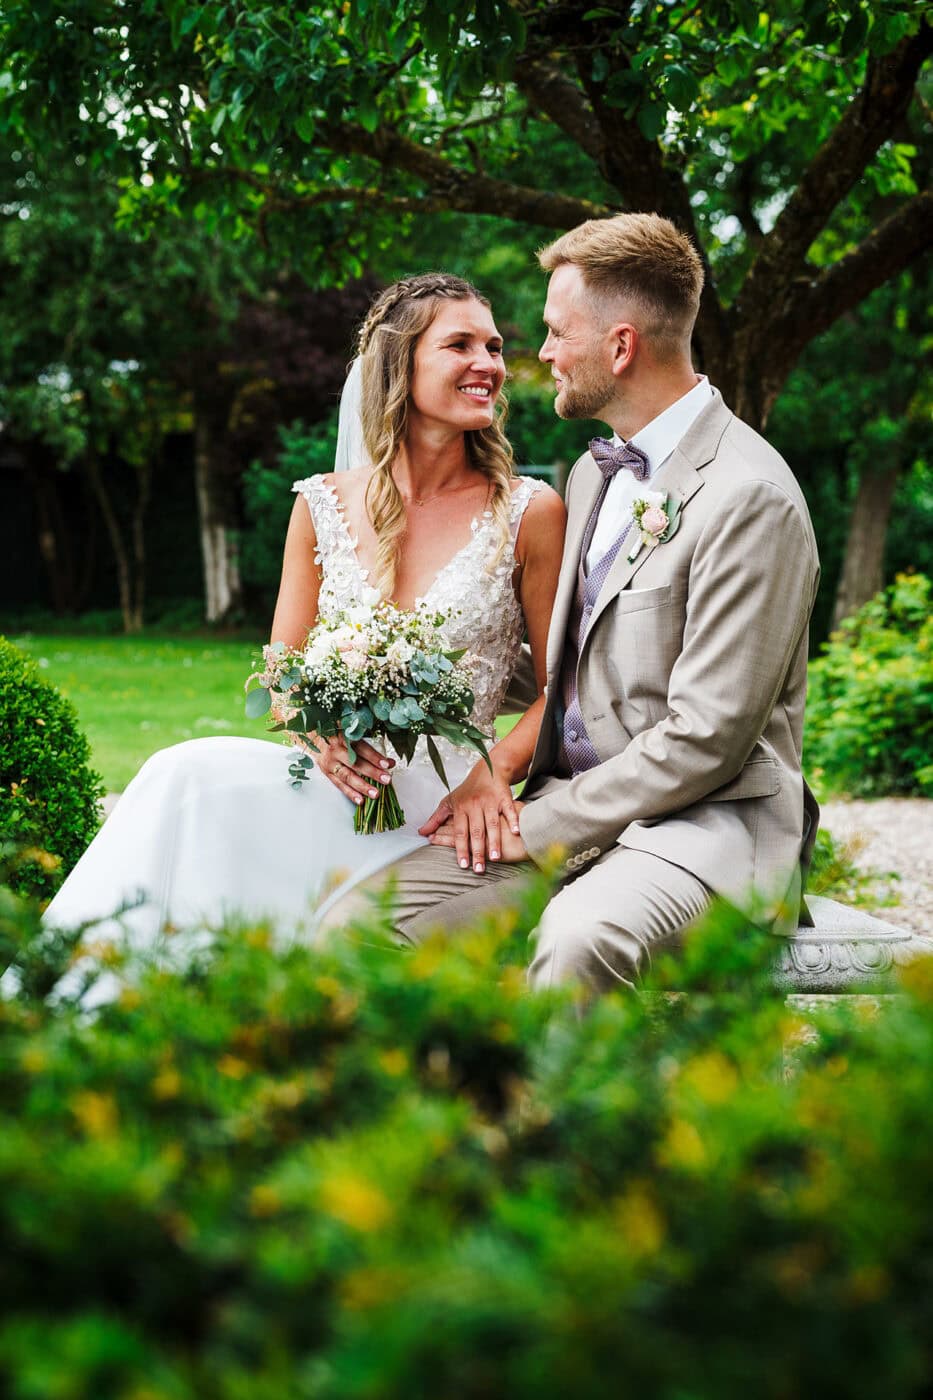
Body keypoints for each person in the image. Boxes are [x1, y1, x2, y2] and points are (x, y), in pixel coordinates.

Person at [324, 214, 821, 1000]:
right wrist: (401, 677)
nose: (542, 355)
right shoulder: (593, 479)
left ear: (620, 347)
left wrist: (537, 825)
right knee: (355, 928)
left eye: (557, 333)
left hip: (702, 830)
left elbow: (708, 738)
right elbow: (577, 668)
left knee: (577, 942)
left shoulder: (748, 497)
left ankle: (571, 1128)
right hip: (568, 813)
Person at [43, 273, 566, 1004]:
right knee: (182, 775)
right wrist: (320, 738)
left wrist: (495, 770)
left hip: (448, 802)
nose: (491, 364)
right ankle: (88, 1008)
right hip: (336, 782)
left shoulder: (529, 511)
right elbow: (283, 673)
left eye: (495, 346)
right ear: (400, 366)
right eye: (460, 345)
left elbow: (562, 685)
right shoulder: (321, 504)